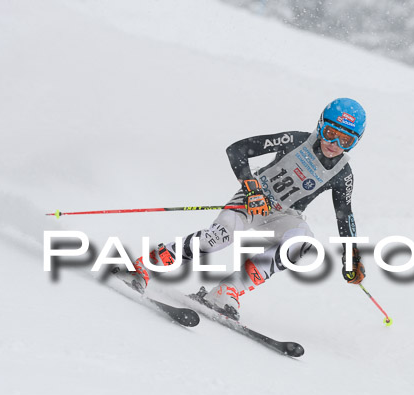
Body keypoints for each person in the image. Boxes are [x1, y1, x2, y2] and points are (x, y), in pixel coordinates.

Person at [114, 98, 367, 319]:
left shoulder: (342, 174)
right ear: (320, 125)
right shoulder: (295, 140)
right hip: (252, 200)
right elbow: (237, 150)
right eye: (330, 132)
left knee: (300, 243)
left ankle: (227, 291)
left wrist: (351, 255)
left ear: (354, 143)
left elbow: (344, 214)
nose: (334, 143)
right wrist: (252, 188)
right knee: (219, 238)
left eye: (345, 140)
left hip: (284, 215)